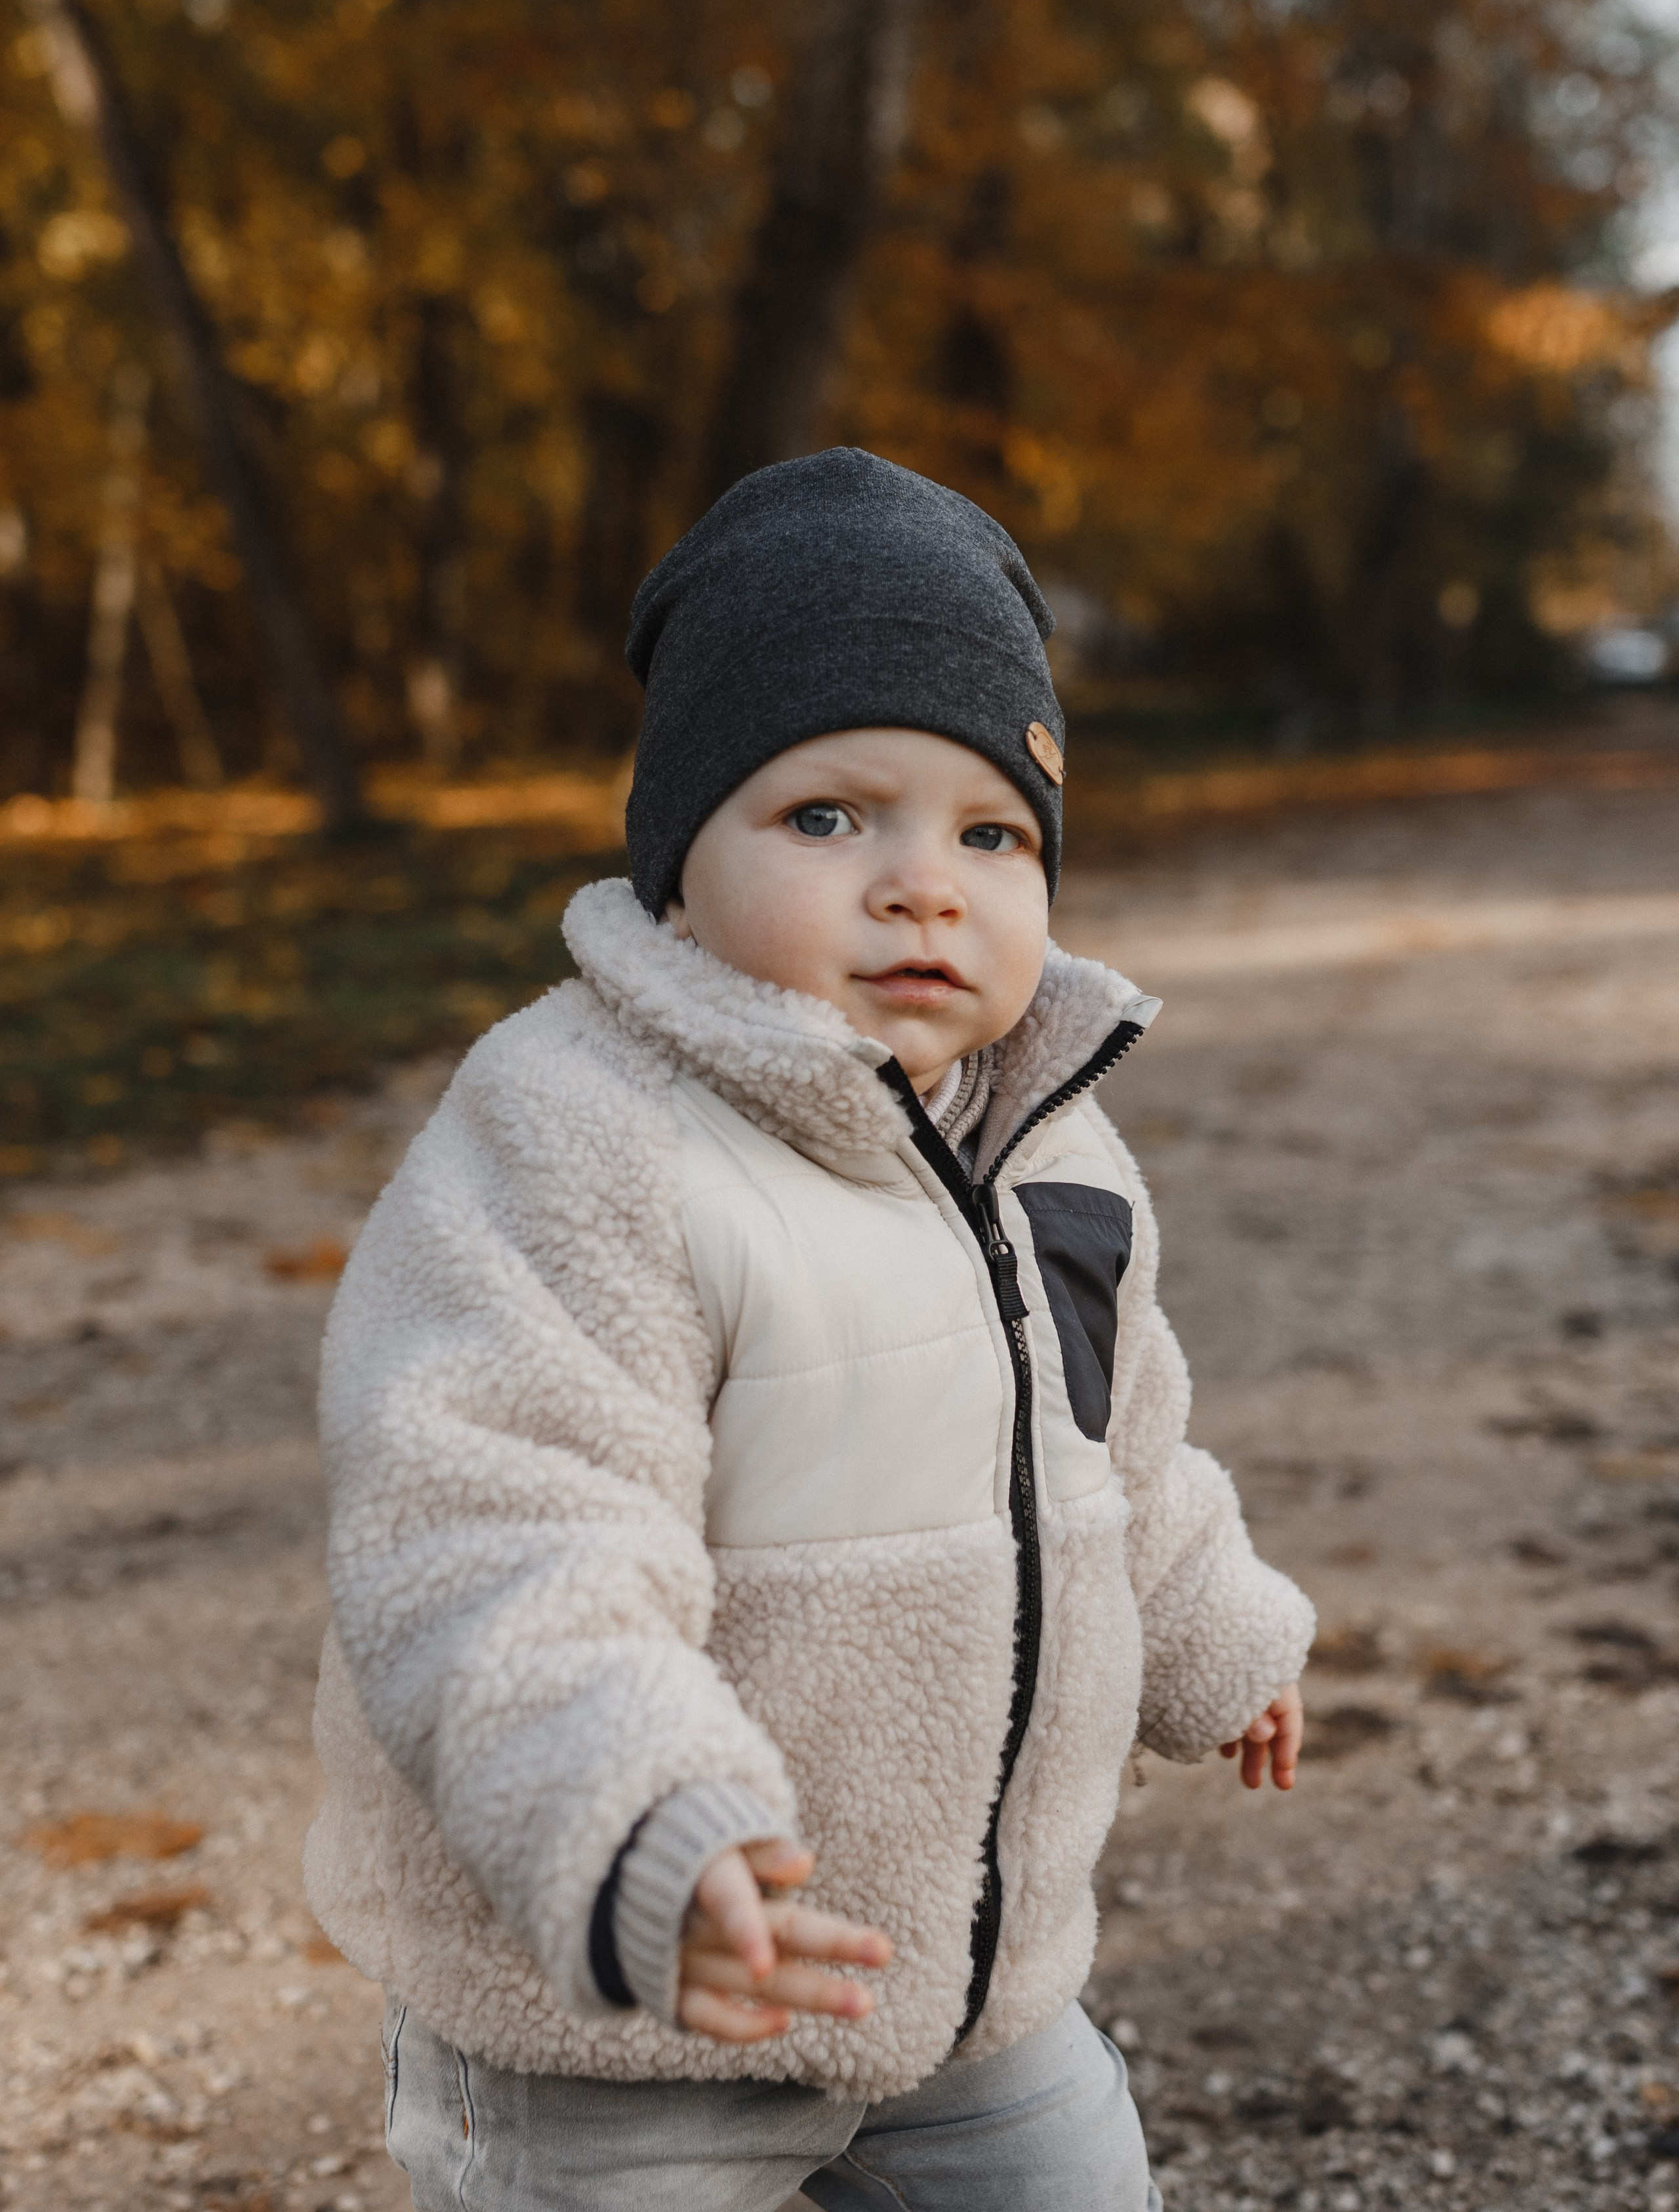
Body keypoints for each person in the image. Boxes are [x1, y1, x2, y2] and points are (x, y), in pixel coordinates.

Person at [304, 449, 1314, 2211]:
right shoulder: (579, 1137)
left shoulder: (1055, 1147)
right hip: (630, 2004)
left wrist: (1217, 1632)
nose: (925, 884)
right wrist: (633, 1821)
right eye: (830, 818)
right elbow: (490, 1523)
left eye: (991, 833)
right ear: (677, 864)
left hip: (963, 1992)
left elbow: (1121, 1445)